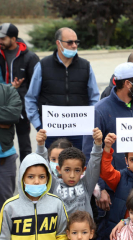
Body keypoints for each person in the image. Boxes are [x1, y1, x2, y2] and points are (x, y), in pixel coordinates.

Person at [82, 62, 133, 218]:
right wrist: (99, 188)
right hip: (110, 192)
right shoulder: (99, 111)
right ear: (127, 83)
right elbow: (88, 153)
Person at [25, 27, 100, 150]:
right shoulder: (43, 66)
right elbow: (30, 98)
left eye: (76, 42)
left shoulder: (85, 66)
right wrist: (39, 126)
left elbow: (94, 98)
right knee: (54, 166)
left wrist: (90, 123)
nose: (74, 45)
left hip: (80, 132)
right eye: (70, 42)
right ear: (58, 43)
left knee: (79, 166)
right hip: (51, 132)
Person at [0, 153, 69, 240]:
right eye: (30, 177)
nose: (37, 181)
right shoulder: (9, 207)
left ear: (48, 178)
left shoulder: (57, 204)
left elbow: (62, 236)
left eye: (42, 176)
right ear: (22, 178)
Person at [35, 128, 103, 217]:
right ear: (59, 169)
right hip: (60, 231)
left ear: (83, 170)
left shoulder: (86, 184)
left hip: (83, 230)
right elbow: (43, 165)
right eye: (67, 170)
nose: (72, 175)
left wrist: (98, 144)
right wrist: (40, 145)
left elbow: (95, 162)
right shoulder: (53, 184)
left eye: (77, 170)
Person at [0, 23, 39, 162]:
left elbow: (37, 85)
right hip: (2, 107)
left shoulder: (30, 57)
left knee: (24, 145)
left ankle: (26, 174)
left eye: (3, 38)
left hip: (22, 108)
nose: (0, 41)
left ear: (14, 38)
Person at [0, 84, 21, 209]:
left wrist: (7, 121)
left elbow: (14, 115)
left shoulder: (9, 91)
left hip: (5, 159)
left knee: (7, 206)